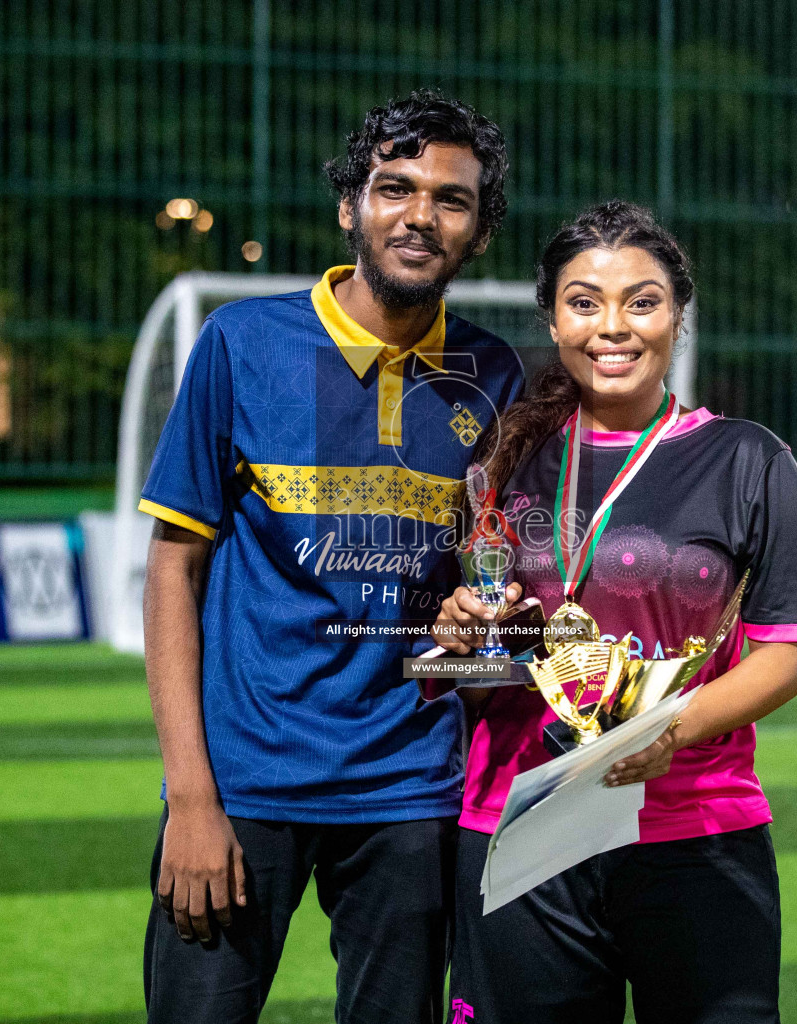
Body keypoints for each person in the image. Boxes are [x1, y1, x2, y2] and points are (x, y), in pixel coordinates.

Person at [138, 91, 524, 1024]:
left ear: (479, 233)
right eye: (394, 188)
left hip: (411, 788)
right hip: (243, 784)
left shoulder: (498, 374)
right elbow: (171, 569)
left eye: (451, 199)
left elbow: (486, 588)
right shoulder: (242, 344)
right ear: (349, 206)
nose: (419, 215)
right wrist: (191, 796)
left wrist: (490, 627)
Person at [432, 202, 797, 1024]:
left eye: (642, 301)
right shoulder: (502, 457)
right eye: (584, 302)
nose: (613, 327)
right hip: (521, 825)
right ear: (552, 317)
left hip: (695, 828)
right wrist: (460, 632)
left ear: (678, 315)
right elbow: (469, 661)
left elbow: (783, 658)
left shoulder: (751, 461)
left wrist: (665, 732)